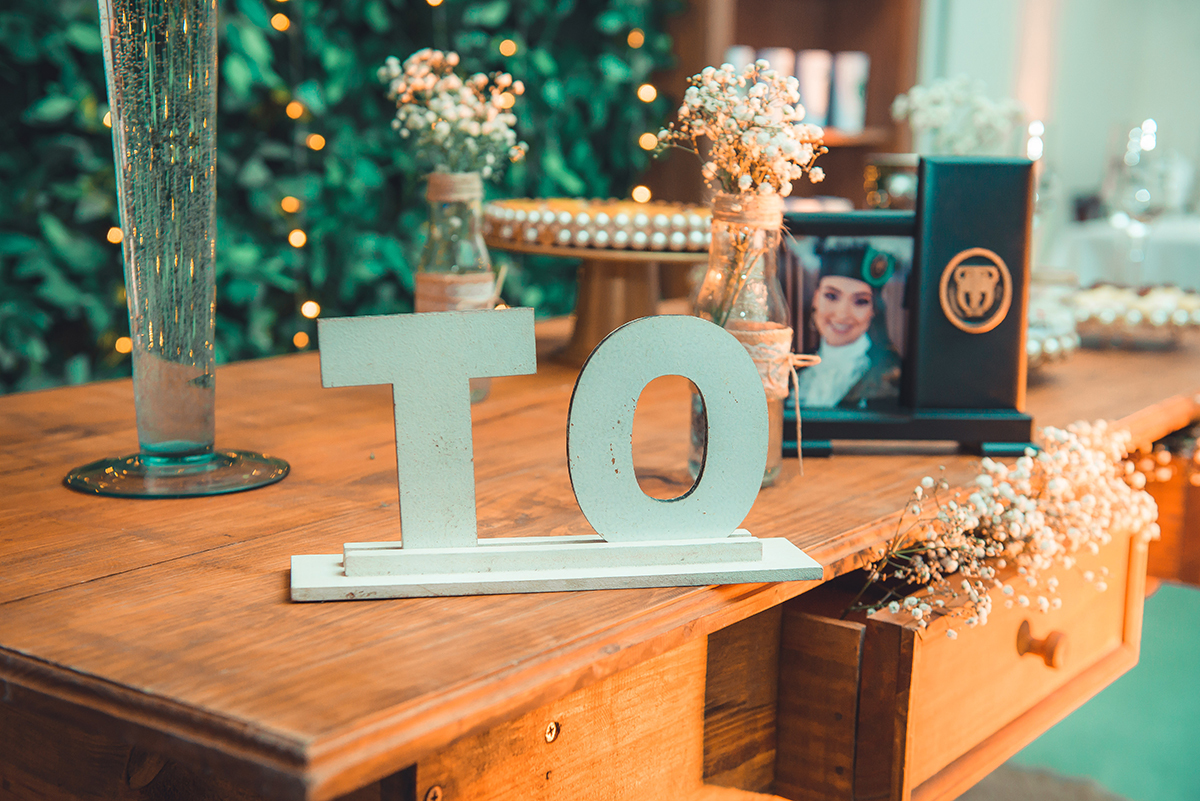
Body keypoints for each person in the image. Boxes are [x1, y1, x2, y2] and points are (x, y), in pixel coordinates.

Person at [795, 243, 902, 408]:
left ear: (874, 309)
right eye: (831, 296)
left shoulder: (891, 377)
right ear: (816, 298)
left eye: (860, 301)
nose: (842, 314)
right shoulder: (796, 369)